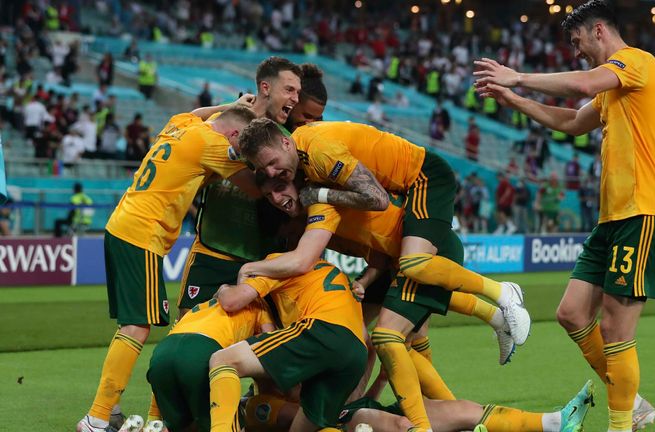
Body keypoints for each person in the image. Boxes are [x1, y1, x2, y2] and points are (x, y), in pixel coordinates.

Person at [238, 120, 530, 431]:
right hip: (398, 255)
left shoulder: (320, 186)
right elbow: (376, 251)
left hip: (428, 212)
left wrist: (248, 269)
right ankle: (490, 335)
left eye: (279, 179)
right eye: (269, 190)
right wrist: (364, 281)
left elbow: (307, 256)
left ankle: (503, 295)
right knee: (407, 341)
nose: (276, 188)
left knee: (392, 330)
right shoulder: (313, 178)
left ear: (286, 148)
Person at [474, 1, 655, 430]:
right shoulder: (611, 90)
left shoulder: (637, 62)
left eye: (577, 40)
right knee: (571, 313)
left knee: (617, 332)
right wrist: (514, 98)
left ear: (599, 30)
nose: (576, 50)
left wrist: (519, 75)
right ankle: (632, 400)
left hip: (643, 214)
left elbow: (584, 84)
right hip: (612, 219)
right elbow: (571, 122)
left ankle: (622, 423)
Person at [76, 102, 262, 432]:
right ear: (233, 134)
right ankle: (97, 417)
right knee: (138, 326)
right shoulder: (213, 145)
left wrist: (232, 105)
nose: (238, 151)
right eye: (240, 144)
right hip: (143, 233)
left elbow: (199, 110)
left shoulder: (181, 125)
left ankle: (114, 412)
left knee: (129, 324)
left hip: (121, 224)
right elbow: (254, 187)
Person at [174, 57, 306, 319]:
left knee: (253, 349)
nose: (295, 98)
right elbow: (182, 125)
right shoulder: (224, 122)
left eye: (298, 92)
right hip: (211, 251)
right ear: (265, 88)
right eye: (289, 90)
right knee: (185, 332)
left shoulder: (288, 138)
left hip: (260, 261)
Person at [209, 256, 368, 432]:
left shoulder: (278, 263)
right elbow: (367, 339)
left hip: (321, 330)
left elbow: (232, 301)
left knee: (223, 360)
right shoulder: (334, 272)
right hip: (357, 351)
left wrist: (224, 288)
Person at [242, 380, 594, 432]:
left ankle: (555, 422)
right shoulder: (257, 404)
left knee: (459, 408)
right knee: (381, 420)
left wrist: (381, 373)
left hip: (358, 408)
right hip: (347, 422)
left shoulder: (298, 345)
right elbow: (308, 421)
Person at [147, 295, 274, 432]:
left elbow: (171, 356)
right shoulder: (260, 305)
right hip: (201, 352)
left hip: (162, 352)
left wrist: (153, 415)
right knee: (224, 423)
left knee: (184, 427)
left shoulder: (202, 305)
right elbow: (271, 352)